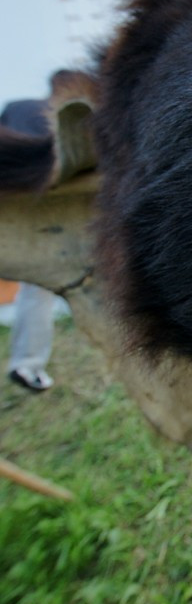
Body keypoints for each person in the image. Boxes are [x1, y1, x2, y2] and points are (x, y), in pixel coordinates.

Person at [1, 95, 55, 391]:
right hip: (56, 206)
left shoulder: (14, 110)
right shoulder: (45, 109)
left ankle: (26, 364)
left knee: (36, 287)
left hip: (25, 211)